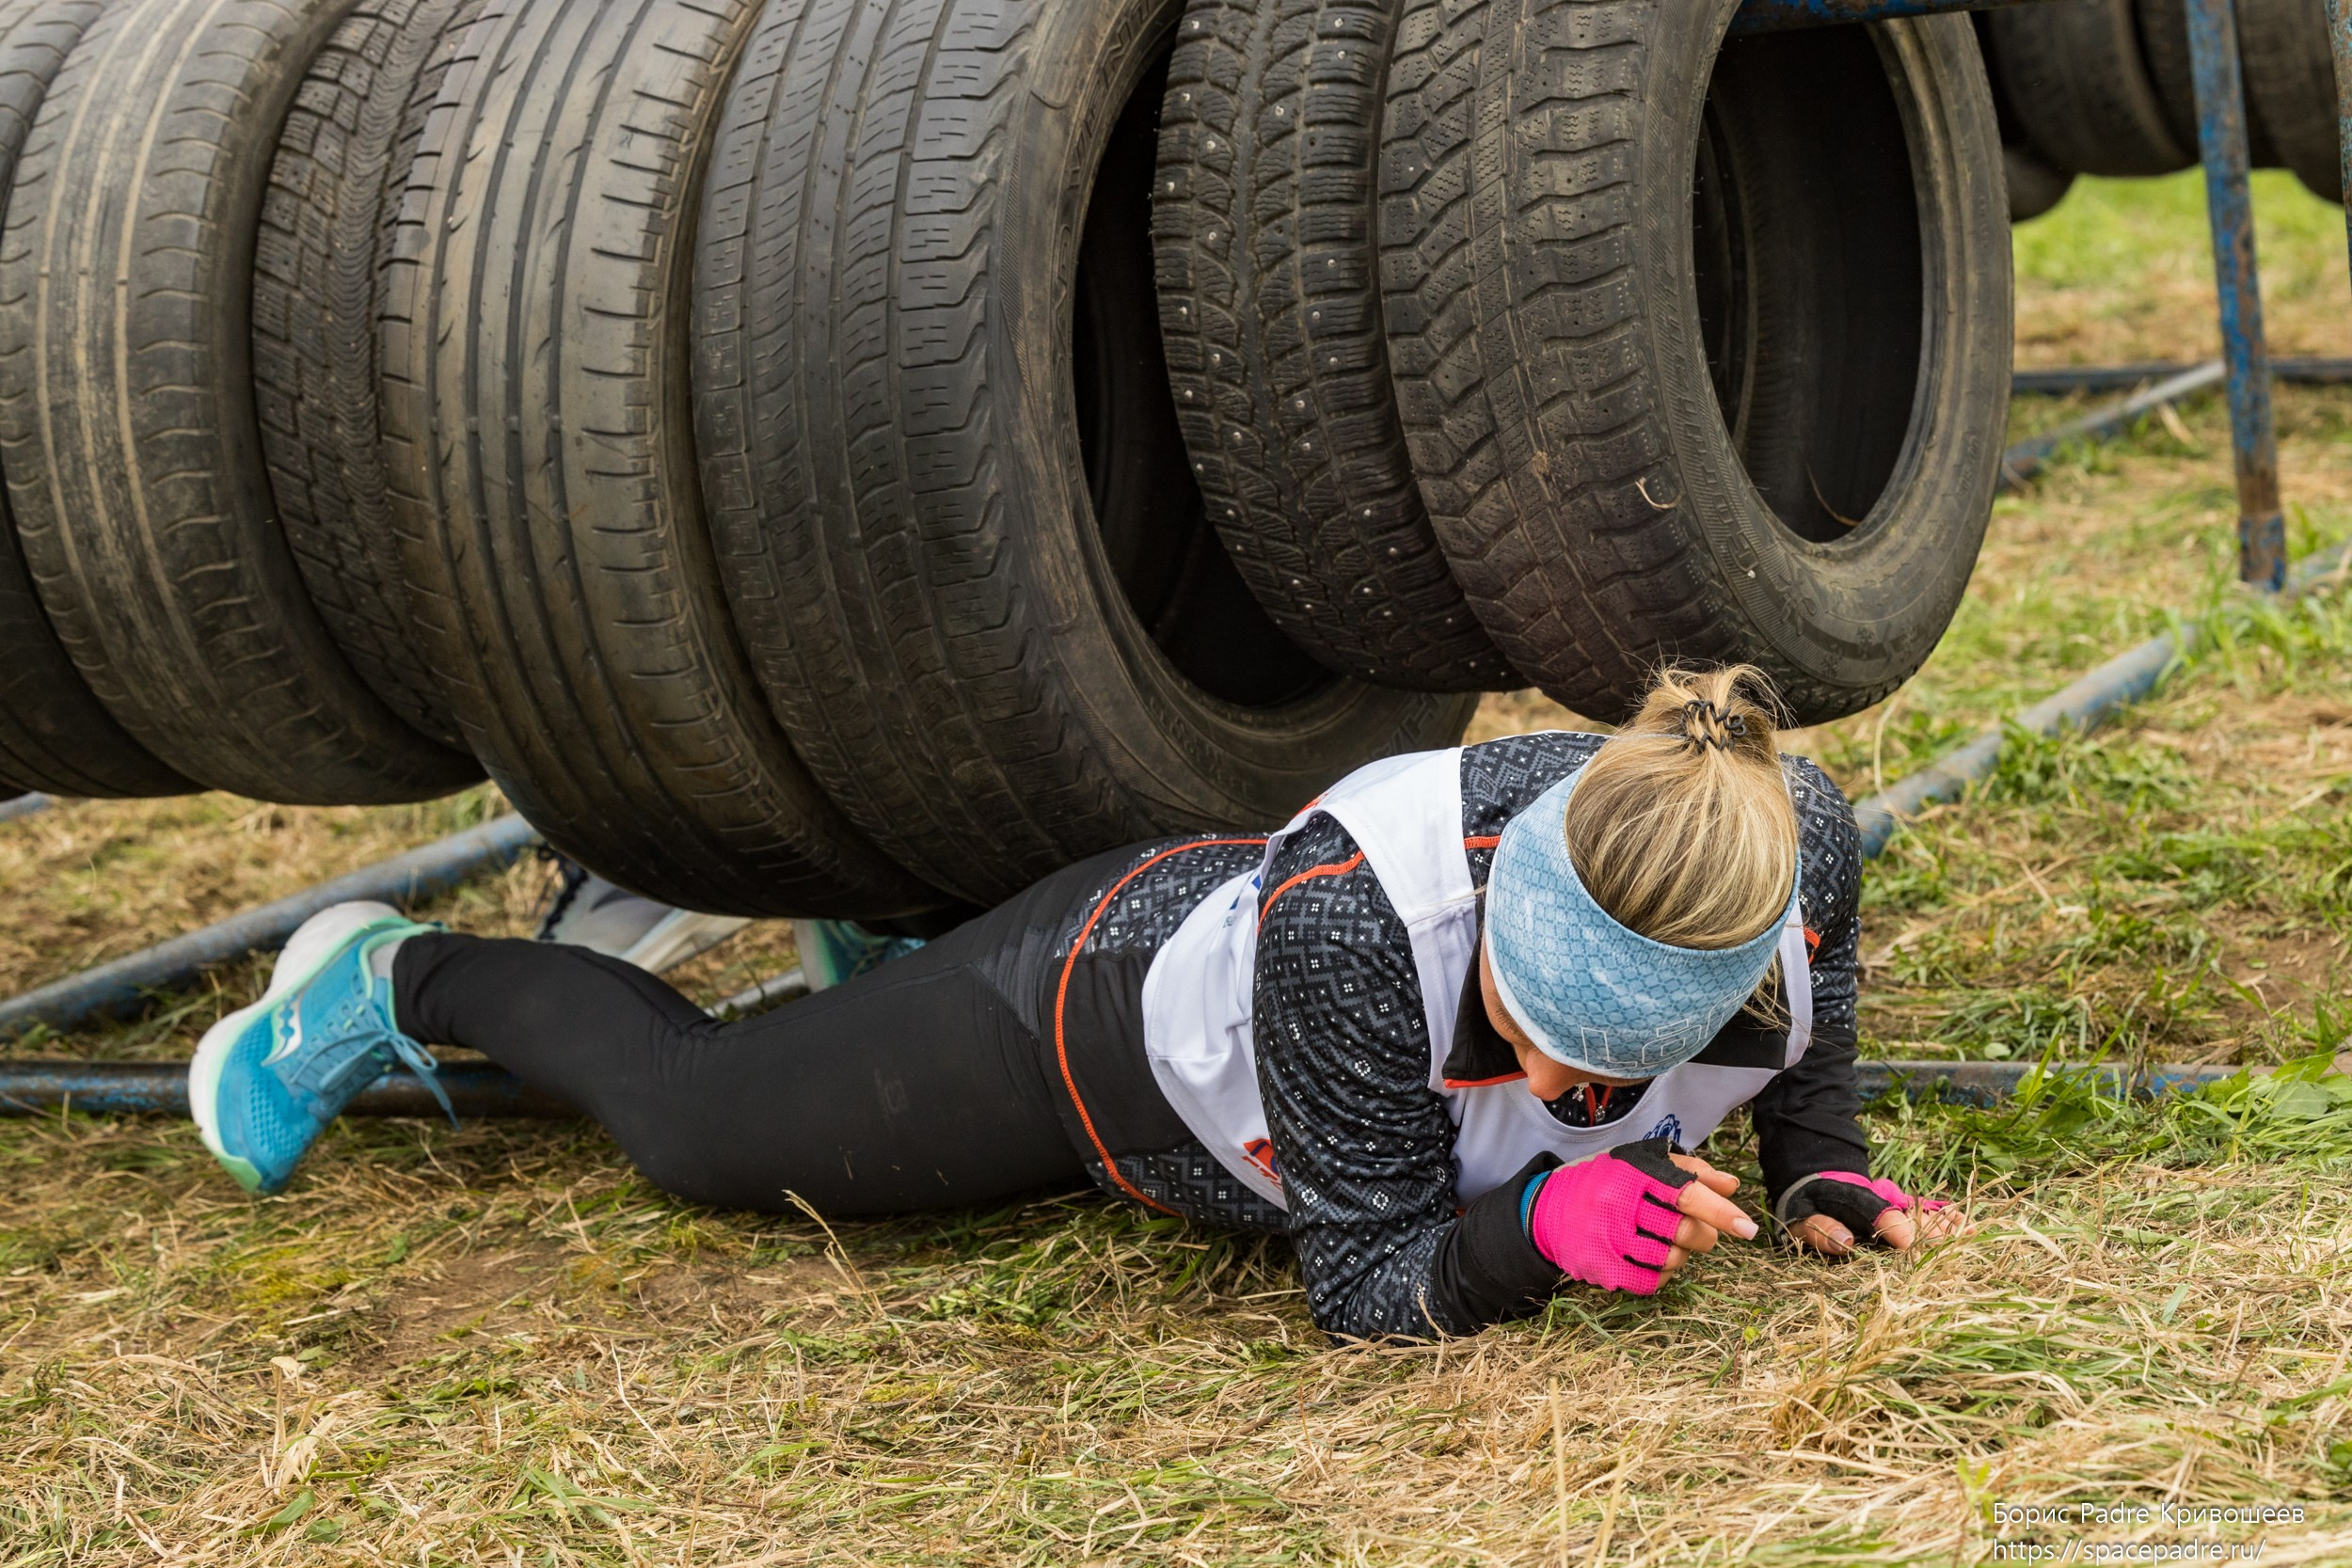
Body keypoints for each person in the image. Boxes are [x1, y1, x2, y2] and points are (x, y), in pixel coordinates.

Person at [186, 666, 1960, 1341]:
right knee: (708, 1127)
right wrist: (1529, 1234)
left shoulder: (1786, 832)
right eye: (1541, 1024)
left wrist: (1819, 1161)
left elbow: (1827, 1009)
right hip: (1099, 1028)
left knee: (837, 1034)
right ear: (1513, 894)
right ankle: (388, 977)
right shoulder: (1363, 926)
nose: (1582, 1084)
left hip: (1229, 1006)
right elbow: (1362, 1278)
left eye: (1627, 1062)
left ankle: (870, 959)